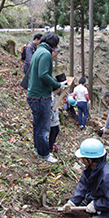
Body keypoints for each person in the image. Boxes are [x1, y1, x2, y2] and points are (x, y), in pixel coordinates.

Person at [27, 32, 68, 163]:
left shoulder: (38, 51)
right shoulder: (45, 54)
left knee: (37, 124)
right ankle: (44, 154)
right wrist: (57, 85)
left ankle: (37, 148)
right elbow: (43, 75)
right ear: (54, 45)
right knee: (43, 127)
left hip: (34, 94)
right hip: (40, 96)